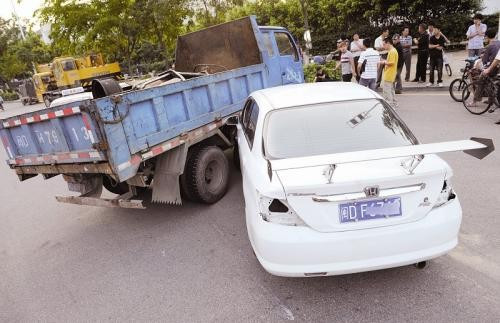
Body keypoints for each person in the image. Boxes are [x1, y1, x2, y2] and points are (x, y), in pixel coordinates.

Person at [380, 37, 398, 106]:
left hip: (389, 73)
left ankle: (390, 104)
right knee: (391, 89)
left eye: (384, 44)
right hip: (391, 73)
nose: (383, 46)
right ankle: (394, 102)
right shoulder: (392, 51)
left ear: (388, 43)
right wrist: (385, 61)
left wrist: (383, 62)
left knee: (387, 90)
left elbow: (392, 63)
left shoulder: (392, 51)